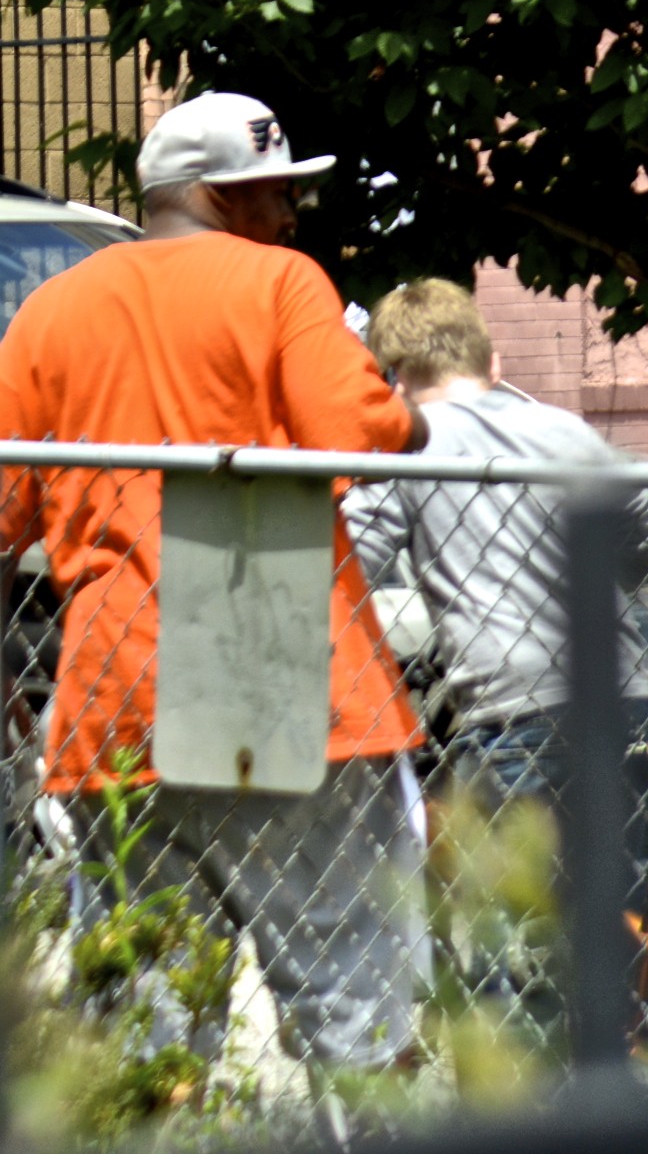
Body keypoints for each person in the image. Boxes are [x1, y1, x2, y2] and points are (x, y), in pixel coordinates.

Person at [0, 92, 431, 1072]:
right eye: (274, 190)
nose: (290, 212)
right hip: (293, 692)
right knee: (361, 1022)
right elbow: (354, 429)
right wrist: (413, 419)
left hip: (119, 704)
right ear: (215, 193)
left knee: (146, 1044)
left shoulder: (49, 309)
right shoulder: (280, 281)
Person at [351, 278, 648, 798]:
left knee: (491, 850)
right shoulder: (566, 431)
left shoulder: (405, 447)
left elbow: (351, 565)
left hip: (511, 702)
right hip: (618, 690)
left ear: (394, 378)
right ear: (493, 365)